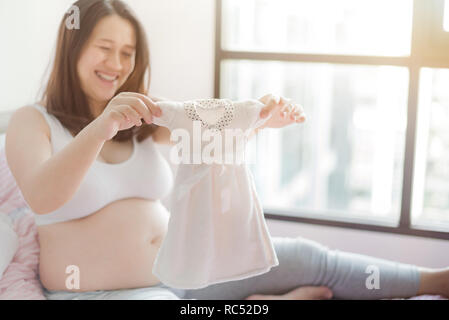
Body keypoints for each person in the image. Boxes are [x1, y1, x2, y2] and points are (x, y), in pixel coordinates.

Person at [5, 0, 448, 300]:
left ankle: (435, 280)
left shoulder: (139, 119)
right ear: (73, 47)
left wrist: (258, 122)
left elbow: (209, 142)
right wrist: (102, 126)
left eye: (127, 53)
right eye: (105, 48)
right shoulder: (32, 121)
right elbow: (43, 195)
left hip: (188, 270)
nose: (117, 66)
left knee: (307, 257)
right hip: (109, 291)